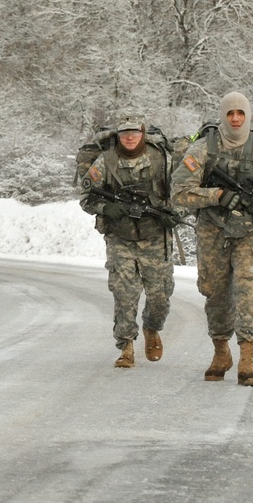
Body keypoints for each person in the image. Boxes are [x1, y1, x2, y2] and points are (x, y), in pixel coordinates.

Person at [171, 92, 253, 386]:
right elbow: (179, 192)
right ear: (223, 116)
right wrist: (218, 195)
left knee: (247, 289)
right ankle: (221, 351)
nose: (236, 118)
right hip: (212, 231)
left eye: (240, 113)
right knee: (215, 293)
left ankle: (248, 359)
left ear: (248, 116)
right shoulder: (204, 150)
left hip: (251, 233)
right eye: (230, 113)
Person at [80, 112, 176, 368]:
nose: (130, 137)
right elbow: (86, 197)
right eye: (125, 133)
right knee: (124, 295)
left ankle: (152, 328)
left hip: (155, 236)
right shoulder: (106, 161)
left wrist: (174, 214)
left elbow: (182, 193)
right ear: (118, 136)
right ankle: (126, 346)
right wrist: (105, 207)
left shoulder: (162, 159)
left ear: (143, 133)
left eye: (135, 132)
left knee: (160, 297)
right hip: (120, 237)